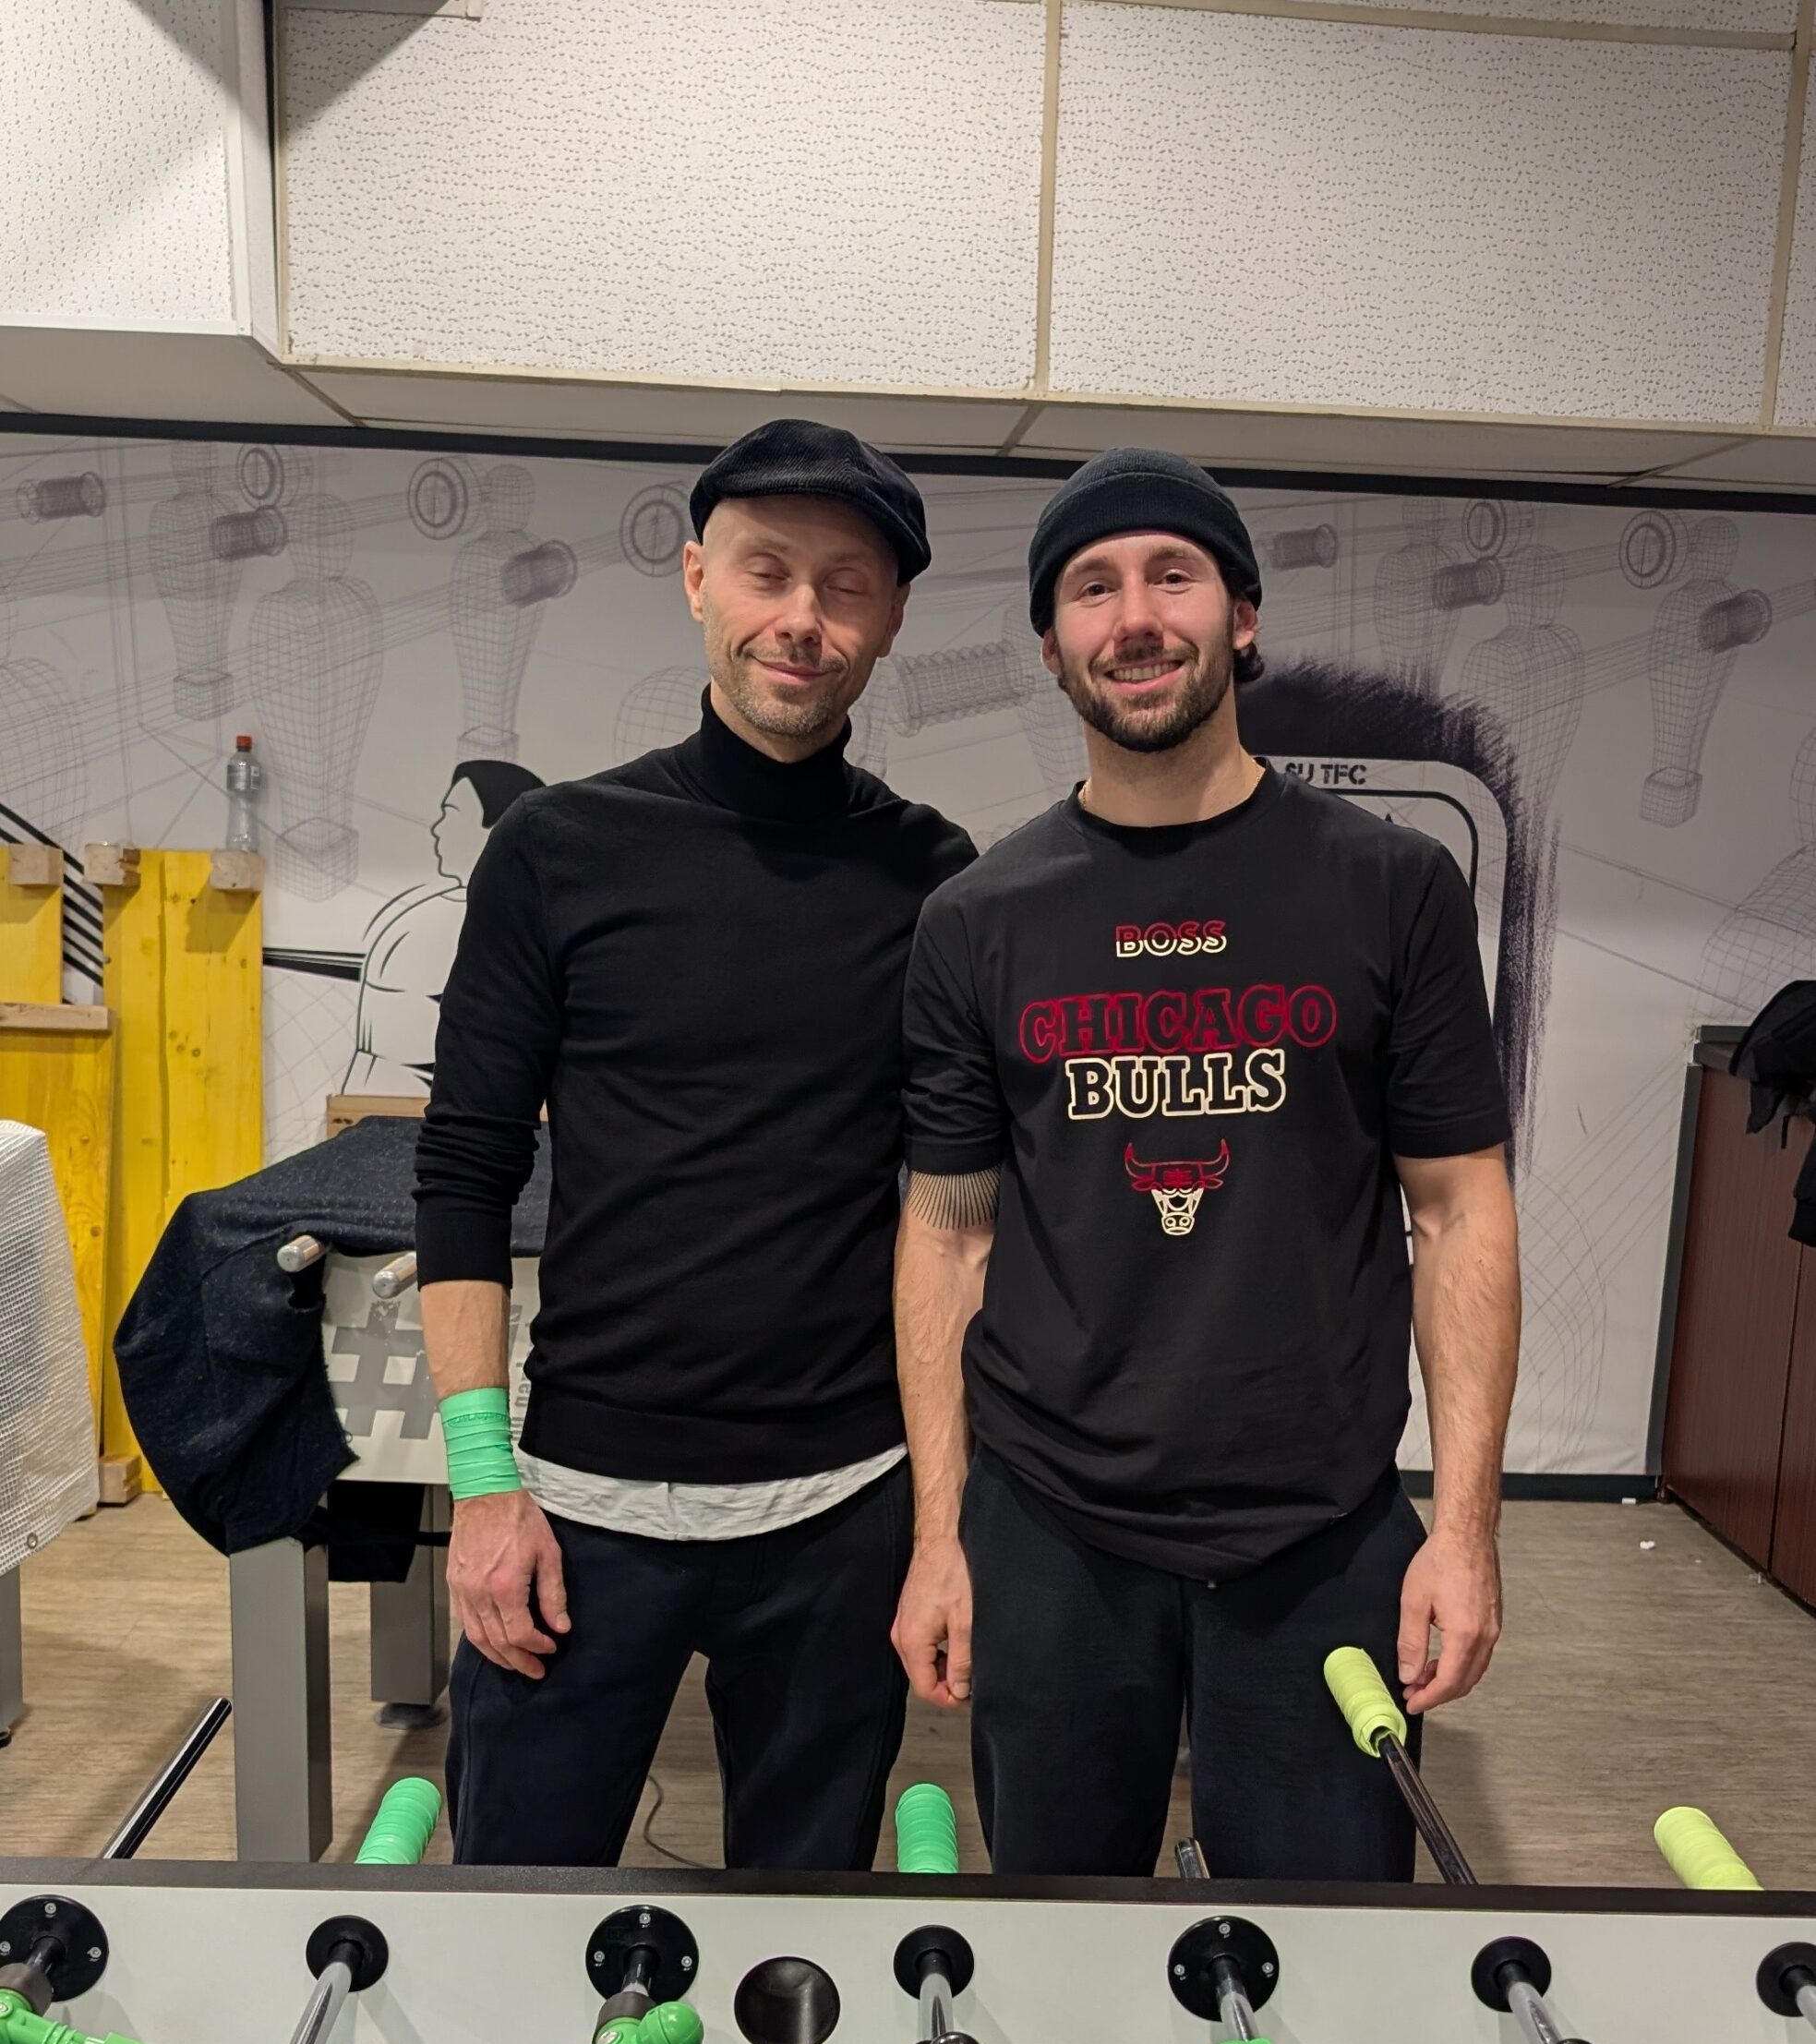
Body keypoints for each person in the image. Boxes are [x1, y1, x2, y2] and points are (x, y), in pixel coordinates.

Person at [891, 448, 1520, 1880]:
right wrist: (939, 1536)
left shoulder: (1389, 886)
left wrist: (1464, 1530)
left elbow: (1456, 1209)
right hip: (1049, 1529)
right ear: (1049, 643)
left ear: (1239, 615)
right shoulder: (978, 919)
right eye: (1090, 588)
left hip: (1320, 1530)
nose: (1133, 617)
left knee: (1319, 1954)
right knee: (1061, 1945)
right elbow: (947, 1235)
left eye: (1169, 576)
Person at [414, 419, 974, 1870]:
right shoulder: (556, 852)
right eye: (766, 571)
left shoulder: (934, 879)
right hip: (575, 1507)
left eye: (844, 585)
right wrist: (482, 1486)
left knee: (799, 1946)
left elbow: (954, 1215)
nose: (801, 618)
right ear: (695, 581)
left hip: (841, 1510)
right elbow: (465, 1171)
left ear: (890, 617)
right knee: (517, 1922)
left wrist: (938, 1525)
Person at [341, 760, 543, 1096]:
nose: (437, 828)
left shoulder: (487, 917)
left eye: (451, 814)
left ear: (499, 829)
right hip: (400, 1107)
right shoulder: (436, 917)